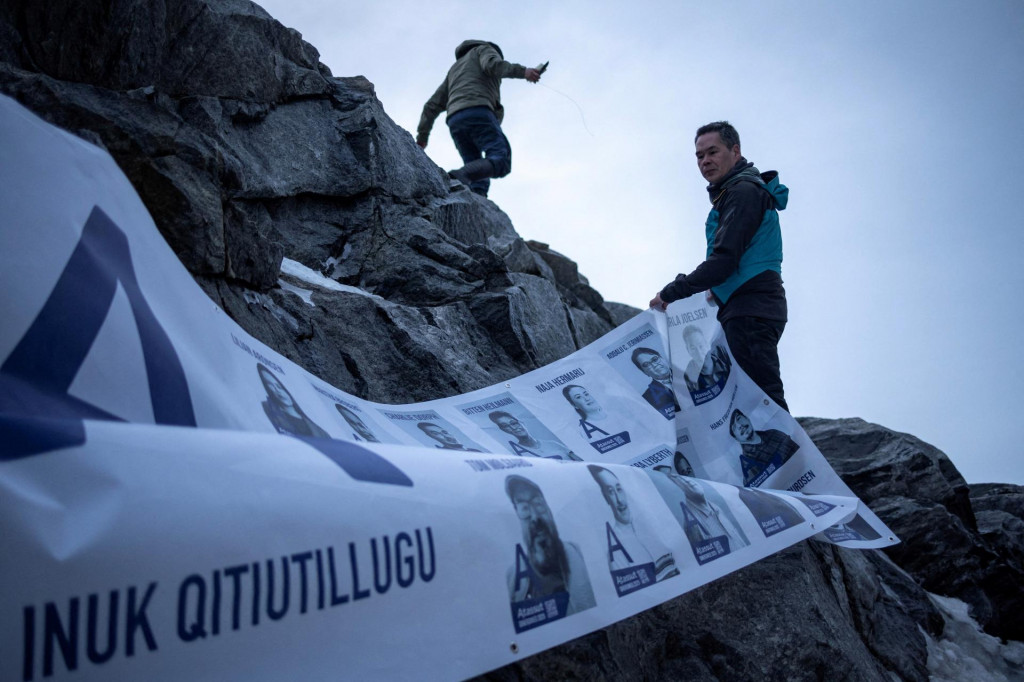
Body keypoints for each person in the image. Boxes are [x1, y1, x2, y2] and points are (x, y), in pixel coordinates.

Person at [650, 121, 790, 411]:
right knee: (756, 401)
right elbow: (746, 255)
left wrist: (671, 293)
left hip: (751, 310)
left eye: (712, 152)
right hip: (751, 306)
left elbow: (724, 261)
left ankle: (791, 456)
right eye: (700, 156)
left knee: (764, 403)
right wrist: (719, 288)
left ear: (735, 151)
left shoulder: (742, 192)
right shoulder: (736, 192)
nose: (705, 161)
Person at [416, 40, 542, 197]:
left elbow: (431, 105)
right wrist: (524, 72)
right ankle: (458, 175)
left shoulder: (454, 70)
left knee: (475, 168)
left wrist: (422, 138)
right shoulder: (484, 50)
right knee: (500, 158)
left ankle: (478, 200)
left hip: (455, 120)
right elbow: (493, 65)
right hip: (478, 111)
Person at [505, 475, 596, 616]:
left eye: (538, 504)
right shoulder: (513, 577)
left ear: (549, 510)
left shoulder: (582, 557)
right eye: (524, 508)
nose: (535, 517)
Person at [587, 465, 678, 583]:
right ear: (604, 499)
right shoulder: (614, 552)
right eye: (610, 492)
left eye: (619, 489)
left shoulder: (651, 522)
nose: (619, 500)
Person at [653, 466, 747, 550]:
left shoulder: (716, 507)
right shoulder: (686, 521)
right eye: (671, 478)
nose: (684, 478)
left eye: (688, 471)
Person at [257, 363, 331, 438]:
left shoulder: (320, 432)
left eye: (279, 386)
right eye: (270, 385)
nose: (277, 390)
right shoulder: (268, 410)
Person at [728, 409, 799, 487]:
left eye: (738, 418)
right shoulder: (748, 467)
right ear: (736, 439)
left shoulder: (774, 433)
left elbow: (800, 453)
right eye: (734, 427)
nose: (740, 426)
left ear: (747, 418)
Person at [487, 410, 581, 460]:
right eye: (505, 426)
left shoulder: (553, 443)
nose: (513, 428)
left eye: (514, 423)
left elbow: (581, 462)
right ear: (503, 430)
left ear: (522, 422)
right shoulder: (514, 454)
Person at [680, 326, 732, 400]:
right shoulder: (688, 377)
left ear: (707, 343)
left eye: (701, 346)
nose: (699, 353)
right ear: (688, 350)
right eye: (693, 348)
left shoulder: (723, 354)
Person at [629, 347, 680, 419]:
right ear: (644, 372)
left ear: (662, 358)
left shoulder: (690, 374)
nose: (654, 365)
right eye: (646, 364)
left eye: (655, 359)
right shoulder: (646, 400)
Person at [416, 421, 481, 452]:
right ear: (430, 436)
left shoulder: (475, 451)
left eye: (445, 432)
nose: (447, 437)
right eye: (436, 434)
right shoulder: (442, 455)